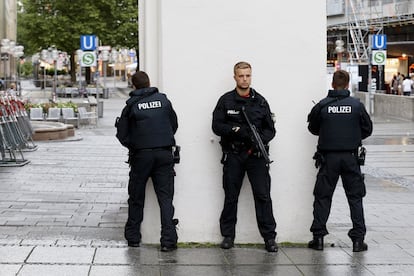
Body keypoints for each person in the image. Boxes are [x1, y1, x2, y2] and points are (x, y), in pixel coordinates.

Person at [212, 61, 278, 252]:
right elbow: (217, 126)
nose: (244, 79)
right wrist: (236, 130)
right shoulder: (225, 101)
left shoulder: (260, 101)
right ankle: (228, 235)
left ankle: (269, 238)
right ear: (235, 77)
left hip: (256, 156)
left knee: (263, 196)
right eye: (241, 76)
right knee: (231, 196)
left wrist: (259, 140)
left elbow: (270, 130)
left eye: (247, 75)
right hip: (234, 155)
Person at [307, 70, 373, 252]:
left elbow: (313, 128)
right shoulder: (356, 106)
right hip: (351, 158)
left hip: (328, 158)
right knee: (355, 198)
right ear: (347, 84)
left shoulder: (322, 105)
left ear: (332, 84)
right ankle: (358, 240)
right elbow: (368, 129)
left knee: (322, 197)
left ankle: (318, 238)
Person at [116, 71, 179, 252]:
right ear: (149, 82)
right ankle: (168, 241)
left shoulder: (131, 105)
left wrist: (135, 145)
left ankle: (134, 238)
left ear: (133, 85)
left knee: (136, 197)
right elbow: (173, 125)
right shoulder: (164, 101)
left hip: (141, 156)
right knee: (166, 199)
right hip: (164, 153)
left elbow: (122, 134)